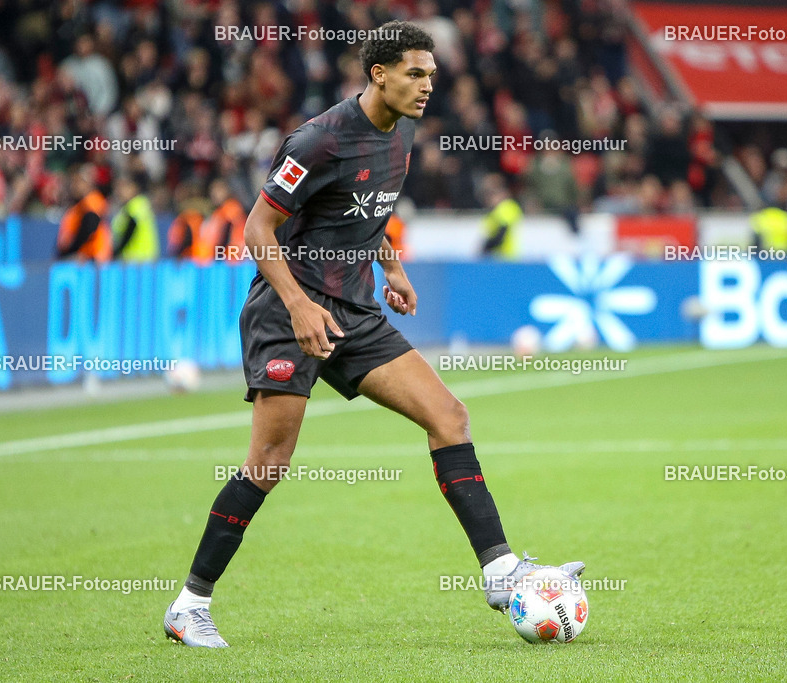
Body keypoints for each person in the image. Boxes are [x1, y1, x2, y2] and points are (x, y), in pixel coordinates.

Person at [162, 21, 583, 648]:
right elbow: (256, 232)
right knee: (270, 463)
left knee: (449, 416)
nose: (427, 86)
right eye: (416, 74)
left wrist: (390, 265)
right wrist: (300, 307)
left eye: (432, 75)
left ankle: (500, 572)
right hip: (287, 309)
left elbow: (364, 211)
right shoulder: (318, 141)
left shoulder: (403, 132)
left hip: (353, 309)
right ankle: (189, 604)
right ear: (378, 74)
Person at [55, 165, 110, 262]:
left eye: (78, 182)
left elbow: (90, 225)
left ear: (87, 183)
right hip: (85, 257)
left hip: (90, 258)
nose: (74, 186)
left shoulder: (93, 200)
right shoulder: (81, 203)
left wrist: (73, 249)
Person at [110, 174, 159, 262]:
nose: (119, 191)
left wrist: (117, 251)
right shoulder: (131, 206)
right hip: (140, 260)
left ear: (133, 188)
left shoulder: (136, 205)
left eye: (123, 188)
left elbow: (131, 226)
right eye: (117, 188)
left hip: (137, 260)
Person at [479, 173, 523, 259]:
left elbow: (502, 232)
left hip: (506, 256)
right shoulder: (495, 211)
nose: (488, 198)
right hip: (498, 256)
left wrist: (487, 247)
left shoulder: (506, 207)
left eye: (492, 193)